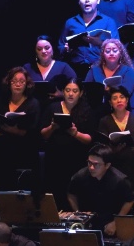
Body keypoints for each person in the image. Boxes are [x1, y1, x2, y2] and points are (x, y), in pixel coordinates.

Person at [38, 78, 95, 209]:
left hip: (76, 159)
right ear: (63, 92)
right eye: (68, 90)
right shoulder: (52, 107)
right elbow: (43, 134)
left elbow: (89, 139)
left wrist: (75, 133)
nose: (71, 94)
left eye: (75, 91)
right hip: (54, 158)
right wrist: (52, 127)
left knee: (74, 193)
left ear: (80, 93)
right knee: (54, 193)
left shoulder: (86, 110)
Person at [0, 66, 42, 192]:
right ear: (9, 83)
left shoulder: (33, 104)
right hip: (1, 153)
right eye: (14, 81)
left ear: (27, 84)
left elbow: (34, 132)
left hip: (24, 154)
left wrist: (14, 131)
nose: (18, 84)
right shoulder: (0, 102)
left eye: (22, 81)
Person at [67, 143, 134, 236]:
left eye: (96, 164)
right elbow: (71, 194)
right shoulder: (80, 176)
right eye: (89, 163)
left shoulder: (120, 180)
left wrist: (116, 222)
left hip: (109, 221)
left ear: (107, 165)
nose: (91, 167)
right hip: (88, 221)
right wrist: (78, 213)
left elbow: (129, 200)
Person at [59, 0, 119, 80]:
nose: (87, 0)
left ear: (98, 0)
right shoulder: (70, 22)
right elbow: (60, 46)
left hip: (100, 69)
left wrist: (100, 43)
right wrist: (66, 49)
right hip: (75, 70)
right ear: (79, 1)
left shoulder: (108, 22)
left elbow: (117, 47)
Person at [98, 84, 134, 192]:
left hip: (133, 164)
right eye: (115, 98)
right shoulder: (104, 121)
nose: (119, 101)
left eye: (122, 97)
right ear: (110, 102)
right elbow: (102, 145)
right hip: (113, 164)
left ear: (127, 100)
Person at [83, 37, 134, 114]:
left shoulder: (128, 71)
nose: (111, 53)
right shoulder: (94, 70)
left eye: (115, 50)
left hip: (123, 111)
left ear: (120, 53)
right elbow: (86, 92)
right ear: (103, 54)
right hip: (97, 111)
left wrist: (107, 90)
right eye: (107, 51)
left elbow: (126, 92)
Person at [25, 34, 76, 100]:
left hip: (57, 107)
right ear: (36, 52)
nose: (43, 51)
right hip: (33, 108)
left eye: (47, 48)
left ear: (52, 49)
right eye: (39, 49)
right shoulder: (28, 68)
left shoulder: (63, 67)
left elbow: (77, 88)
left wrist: (63, 95)